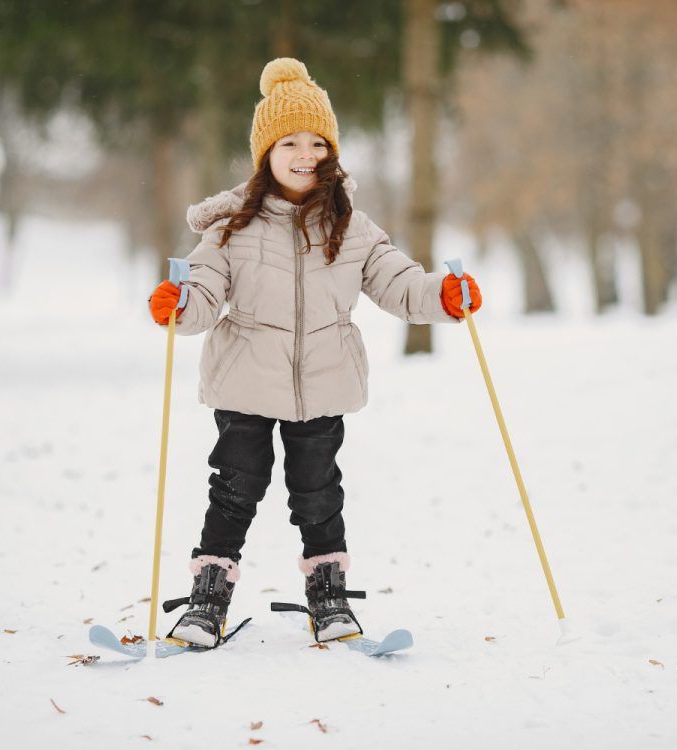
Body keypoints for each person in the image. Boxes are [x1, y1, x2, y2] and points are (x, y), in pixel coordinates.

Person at [147, 57, 482, 648]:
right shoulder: (230, 230)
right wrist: (178, 303)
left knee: (318, 490)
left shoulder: (351, 227)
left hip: (324, 380)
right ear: (266, 153)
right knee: (235, 486)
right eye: (290, 142)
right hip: (245, 380)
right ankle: (207, 598)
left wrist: (445, 297)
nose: (306, 155)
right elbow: (200, 297)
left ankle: (327, 595)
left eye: (318, 143)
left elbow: (400, 286)